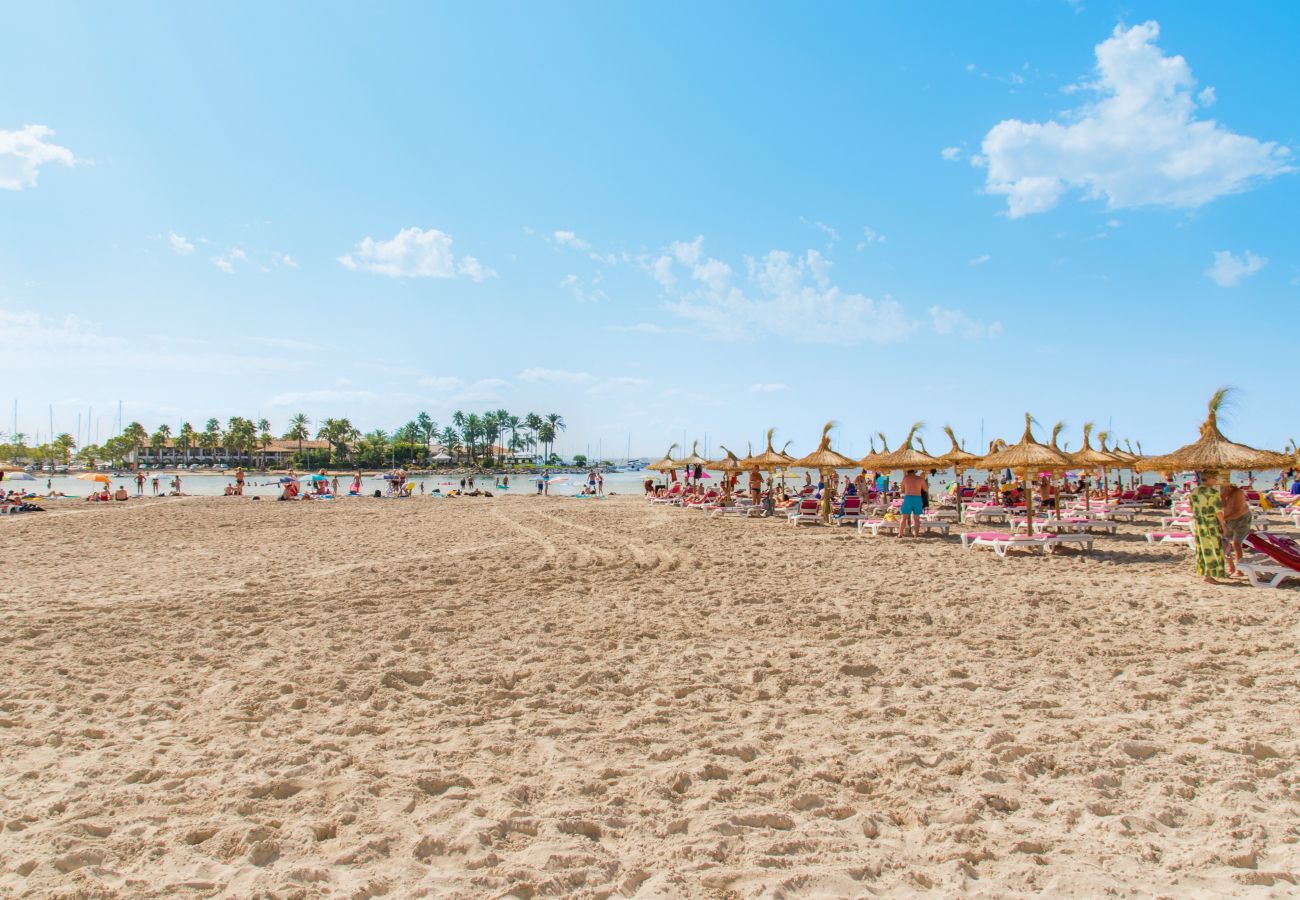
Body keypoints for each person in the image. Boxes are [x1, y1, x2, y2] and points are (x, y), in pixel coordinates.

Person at [1189, 471, 1227, 584]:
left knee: (1202, 547)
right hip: (1211, 523)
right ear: (1209, 478)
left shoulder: (1194, 491)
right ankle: (1209, 575)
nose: (1216, 480)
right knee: (1213, 548)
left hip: (1199, 523)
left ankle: (1205, 572)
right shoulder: (1213, 492)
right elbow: (1218, 511)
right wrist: (1223, 525)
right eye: (1214, 478)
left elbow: (1192, 508)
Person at [1220, 478, 1251, 577]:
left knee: (1236, 544)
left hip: (1241, 520)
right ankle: (1231, 567)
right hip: (1228, 520)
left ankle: (1239, 569)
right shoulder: (1219, 494)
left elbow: (1238, 511)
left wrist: (1223, 518)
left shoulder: (1237, 493)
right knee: (1224, 544)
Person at [898, 468, 925, 537]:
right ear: (914, 472)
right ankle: (916, 534)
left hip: (908, 498)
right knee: (916, 518)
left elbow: (902, 488)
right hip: (917, 498)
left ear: (907, 472)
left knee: (904, 517)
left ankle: (900, 534)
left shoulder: (905, 478)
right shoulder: (919, 478)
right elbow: (924, 488)